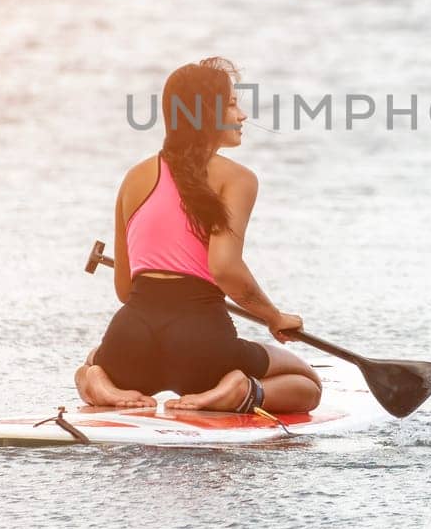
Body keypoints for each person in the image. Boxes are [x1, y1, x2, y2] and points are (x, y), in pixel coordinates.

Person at [75, 57, 323, 414]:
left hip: (129, 339)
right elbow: (225, 268)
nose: (242, 116)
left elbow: (124, 288)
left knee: (94, 359)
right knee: (307, 385)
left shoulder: (134, 177)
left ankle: (95, 381)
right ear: (206, 113)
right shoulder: (237, 178)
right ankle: (238, 392)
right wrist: (273, 317)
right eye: (233, 104)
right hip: (202, 347)